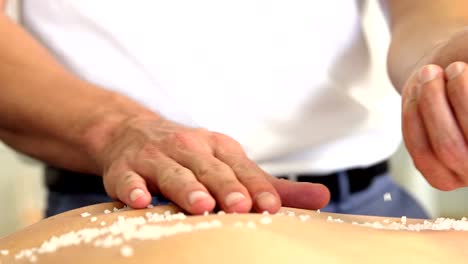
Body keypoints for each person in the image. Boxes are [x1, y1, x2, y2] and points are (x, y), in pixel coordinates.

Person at [0, 1, 467, 218]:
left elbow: (431, 12)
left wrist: (447, 62)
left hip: (370, 209)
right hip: (121, 207)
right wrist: (114, 130)